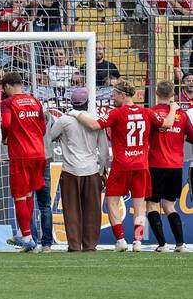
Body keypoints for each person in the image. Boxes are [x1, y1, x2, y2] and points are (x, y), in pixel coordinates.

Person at [74, 79, 177, 252]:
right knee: (139, 206)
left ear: (122, 95)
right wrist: (173, 109)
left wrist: (75, 114)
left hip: (121, 166)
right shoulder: (146, 112)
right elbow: (167, 124)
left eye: (114, 95)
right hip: (141, 166)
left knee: (111, 202)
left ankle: (121, 240)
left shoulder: (116, 113)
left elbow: (93, 125)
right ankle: (137, 241)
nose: (113, 98)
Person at [47, 86, 108, 252]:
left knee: (71, 210)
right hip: (91, 169)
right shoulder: (96, 120)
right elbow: (103, 150)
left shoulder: (64, 120)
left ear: (71, 103)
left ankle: (74, 245)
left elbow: (50, 138)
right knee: (93, 211)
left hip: (70, 170)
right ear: (87, 103)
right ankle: (90, 245)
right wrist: (103, 171)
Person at [0, 70, 49, 254]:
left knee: (19, 196)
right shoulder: (35, 101)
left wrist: (6, 138)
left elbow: (5, 124)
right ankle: (23, 233)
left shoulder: (7, 103)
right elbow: (43, 127)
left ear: (8, 86)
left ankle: (27, 238)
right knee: (28, 195)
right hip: (39, 153)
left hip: (21, 154)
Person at [144, 80, 191, 253]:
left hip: (155, 165)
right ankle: (180, 244)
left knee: (151, 205)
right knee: (170, 206)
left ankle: (162, 245)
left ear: (156, 93)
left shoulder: (150, 113)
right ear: (173, 94)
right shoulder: (182, 115)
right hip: (176, 166)